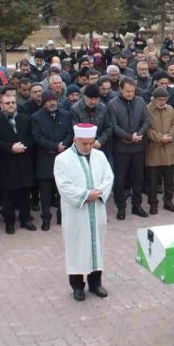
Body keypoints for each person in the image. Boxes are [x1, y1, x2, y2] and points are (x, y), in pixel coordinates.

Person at [54, 123, 114, 302]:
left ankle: (95, 284)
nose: (88, 147)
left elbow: (108, 177)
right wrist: (86, 195)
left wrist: (99, 193)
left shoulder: (99, 156)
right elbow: (64, 186)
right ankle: (77, 286)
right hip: (76, 213)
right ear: (75, 140)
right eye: (84, 143)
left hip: (97, 209)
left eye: (90, 143)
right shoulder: (62, 159)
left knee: (96, 245)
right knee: (77, 247)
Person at [0, 93, 36, 234]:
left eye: (13, 102)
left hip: (24, 161)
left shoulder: (25, 119)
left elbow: (32, 137)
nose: (11, 105)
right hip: (6, 164)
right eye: (7, 103)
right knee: (8, 196)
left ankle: (25, 220)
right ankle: (9, 223)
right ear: (1, 105)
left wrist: (23, 145)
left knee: (25, 194)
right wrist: (11, 148)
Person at [107, 77, 150, 220]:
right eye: (127, 91)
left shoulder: (140, 101)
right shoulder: (112, 104)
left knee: (138, 179)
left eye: (132, 91)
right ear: (120, 89)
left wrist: (139, 134)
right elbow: (114, 126)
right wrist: (129, 137)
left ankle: (137, 205)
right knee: (120, 180)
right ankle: (121, 207)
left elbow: (146, 120)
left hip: (138, 148)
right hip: (121, 149)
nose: (130, 94)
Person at [31, 91, 73, 230]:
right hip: (45, 160)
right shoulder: (36, 117)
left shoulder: (66, 114)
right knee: (45, 193)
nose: (53, 103)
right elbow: (37, 137)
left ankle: (62, 217)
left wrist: (63, 145)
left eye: (54, 100)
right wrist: (55, 146)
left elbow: (70, 133)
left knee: (62, 191)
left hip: (63, 159)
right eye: (49, 101)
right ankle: (46, 219)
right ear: (43, 103)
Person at [145, 87, 174, 214]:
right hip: (154, 150)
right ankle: (153, 204)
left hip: (169, 149)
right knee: (153, 182)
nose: (163, 102)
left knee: (169, 180)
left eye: (165, 99)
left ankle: (168, 202)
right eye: (160, 99)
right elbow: (146, 129)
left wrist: (170, 136)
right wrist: (160, 138)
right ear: (154, 99)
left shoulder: (170, 109)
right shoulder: (147, 109)